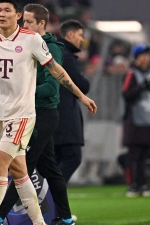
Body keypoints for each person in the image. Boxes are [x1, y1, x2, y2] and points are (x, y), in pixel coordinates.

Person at [0, 1, 97, 224]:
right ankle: (39, 222)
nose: (2, 14)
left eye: (7, 10)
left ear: (17, 15)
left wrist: (81, 95)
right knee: (20, 172)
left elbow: (56, 69)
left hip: (24, 116)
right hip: (2, 116)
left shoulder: (31, 39)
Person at [0, 4, 74, 225]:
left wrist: (80, 95)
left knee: (1, 161)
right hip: (7, 115)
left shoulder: (41, 44)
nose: (25, 25)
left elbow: (53, 85)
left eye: (28, 22)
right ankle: (47, 221)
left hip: (32, 115)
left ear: (41, 24)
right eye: (24, 21)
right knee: (24, 170)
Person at [122, 44, 150, 197]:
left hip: (149, 120)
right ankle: (134, 185)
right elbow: (126, 94)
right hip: (135, 120)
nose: (146, 58)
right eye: (142, 55)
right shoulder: (132, 74)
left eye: (147, 55)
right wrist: (142, 86)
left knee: (145, 154)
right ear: (136, 58)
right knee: (135, 154)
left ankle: (144, 184)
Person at [53, 19, 91, 183]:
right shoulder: (66, 57)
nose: (82, 39)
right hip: (65, 117)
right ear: (69, 34)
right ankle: (52, 197)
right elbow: (81, 84)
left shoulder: (56, 53)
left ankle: (52, 203)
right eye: (80, 35)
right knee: (72, 157)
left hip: (54, 115)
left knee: (57, 159)